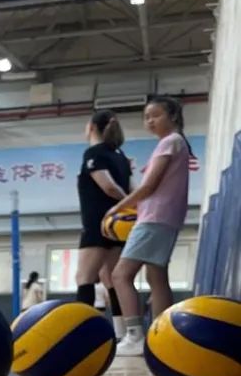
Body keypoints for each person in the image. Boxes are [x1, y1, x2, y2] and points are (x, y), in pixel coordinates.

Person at [106, 96, 193, 356]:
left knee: (120, 275)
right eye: (146, 117)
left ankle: (134, 336)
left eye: (156, 115)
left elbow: (149, 186)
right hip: (166, 218)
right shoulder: (176, 142)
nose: (150, 121)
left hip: (155, 218)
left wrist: (117, 207)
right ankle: (161, 336)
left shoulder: (170, 142)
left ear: (173, 116)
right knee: (157, 278)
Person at [75, 109, 131, 339]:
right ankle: (123, 334)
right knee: (111, 279)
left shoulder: (94, 153)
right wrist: (130, 207)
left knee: (84, 278)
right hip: (117, 228)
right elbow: (133, 188)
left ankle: (83, 336)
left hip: (99, 223)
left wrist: (125, 204)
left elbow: (108, 186)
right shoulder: (120, 156)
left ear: (91, 127)